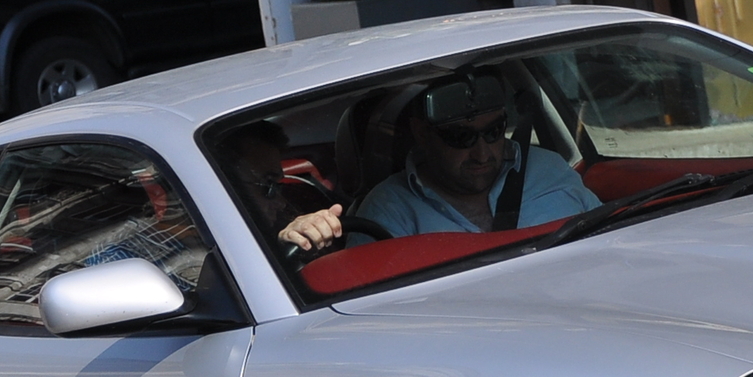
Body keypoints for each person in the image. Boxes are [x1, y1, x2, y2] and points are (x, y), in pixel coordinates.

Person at [352, 72, 598, 240]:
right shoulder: (388, 211)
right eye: (461, 137)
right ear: (421, 133)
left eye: (493, 132)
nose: (482, 154)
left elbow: (611, 238)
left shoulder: (550, 169)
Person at [225, 119, 347, 256]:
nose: (280, 203)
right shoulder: (211, 250)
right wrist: (283, 244)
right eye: (268, 185)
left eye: (277, 184)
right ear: (227, 190)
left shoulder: (299, 201)